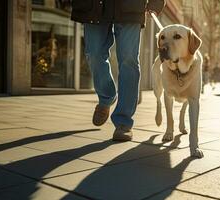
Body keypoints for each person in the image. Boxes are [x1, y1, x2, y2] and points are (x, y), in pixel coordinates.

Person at [71, 0, 166, 141]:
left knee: (129, 60)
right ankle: (106, 97)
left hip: (131, 6)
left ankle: (124, 122)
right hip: (94, 5)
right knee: (94, 54)